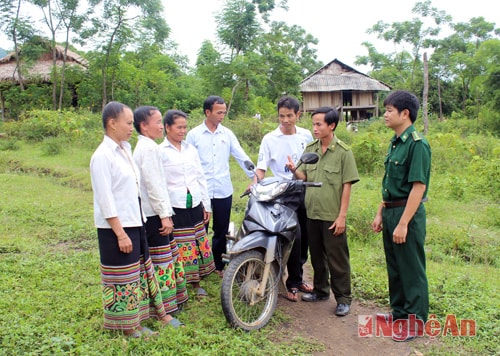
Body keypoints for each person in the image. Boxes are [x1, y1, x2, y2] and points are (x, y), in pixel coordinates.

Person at [90, 101, 173, 338]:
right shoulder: (102, 156)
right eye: (127, 123)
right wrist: (120, 233)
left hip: (136, 221)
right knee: (120, 277)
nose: (131, 127)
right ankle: (125, 326)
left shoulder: (125, 149)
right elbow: (105, 200)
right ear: (111, 123)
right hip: (117, 227)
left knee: (136, 274)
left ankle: (136, 319)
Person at [287, 107, 359, 317]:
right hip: (312, 213)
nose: (315, 128)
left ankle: (343, 299)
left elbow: (347, 186)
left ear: (332, 125)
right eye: (313, 124)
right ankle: (320, 291)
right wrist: (294, 170)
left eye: (319, 124)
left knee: (337, 259)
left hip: (332, 215)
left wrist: (342, 216)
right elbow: (305, 178)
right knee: (317, 257)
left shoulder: (344, 153)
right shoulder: (311, 149)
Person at [371, 90, 431, 342]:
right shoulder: (395, 142)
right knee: (395, 266)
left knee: (411, 269)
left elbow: (418, 187)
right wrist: (380, 212)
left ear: (405, 114)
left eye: (389, 110)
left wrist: (404, 223)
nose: (385, 114)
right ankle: (399, 313)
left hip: (408, 213)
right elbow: (389, 183)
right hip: (391, 209)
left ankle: (415, 323)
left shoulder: (417, 144)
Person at [186, 96, 254, 278]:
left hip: (223, 190)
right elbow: (188, 163)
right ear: (208, 112)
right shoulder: (194, 135)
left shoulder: (227, 134)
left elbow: (241, 156)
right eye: (219, 112)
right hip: (202, 191)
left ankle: (218, 265)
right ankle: (199, 267)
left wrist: (256, 176)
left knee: (221, 230)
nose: (222, 115)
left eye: (224, 112)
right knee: (200, 229)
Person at [254, 95, 314, 302]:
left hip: (305, 188)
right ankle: (290, 281)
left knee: (305, 236)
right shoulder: (270, 138)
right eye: (282, 116)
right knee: (292, 235)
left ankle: (297, 278)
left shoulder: (306, 136)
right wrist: (255, 183)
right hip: (281, 192)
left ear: (298, 114)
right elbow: (261, 167)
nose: (285, 120)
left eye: (290, 115)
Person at [132, 106, 187, 324]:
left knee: (159, 260)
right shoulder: (149, 149)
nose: (160, 126)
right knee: (160, 262)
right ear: (144, 126)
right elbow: (153, 185)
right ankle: (162, 309)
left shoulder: (145, 147)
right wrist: (164, 214)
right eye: (156, 122)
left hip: (152, 212)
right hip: (153, 214)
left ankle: (163, 305)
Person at [160, 109, 216, 297]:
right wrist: (165, 212)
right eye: (179, 127)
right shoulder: (161, 152)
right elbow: (160, 183)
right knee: (182, 246)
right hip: (176, 205)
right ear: (167, 127)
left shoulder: (191, 149)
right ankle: (181, 283)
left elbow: (200, 177)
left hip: (195, 202)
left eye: (185, 127)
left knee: (196, 242)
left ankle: (196, 282)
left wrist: (206, 205)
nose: (183, 131)